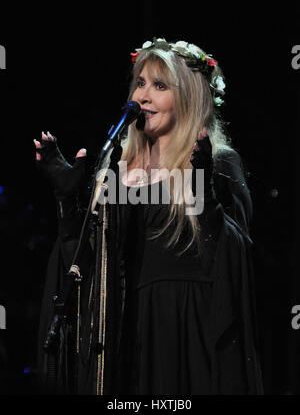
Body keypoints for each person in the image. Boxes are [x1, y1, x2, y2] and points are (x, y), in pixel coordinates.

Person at [34, 38, 263, 395]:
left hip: (186, 333)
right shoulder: (118, 169)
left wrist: (204, 193)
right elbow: (85, 267)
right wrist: (67, 204)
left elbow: (235, 259)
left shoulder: (217, 162)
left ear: (187, 97)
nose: (143, 96)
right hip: (125, 335)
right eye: (140, 83)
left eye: (159, 86)